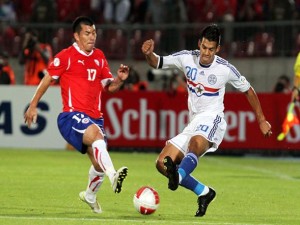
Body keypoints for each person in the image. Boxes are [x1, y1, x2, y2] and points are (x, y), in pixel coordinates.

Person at [141, 24, 272, 217]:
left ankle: (178, 176)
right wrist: (148, 54)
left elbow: (248, 90)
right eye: (204, 47)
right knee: (161, 163)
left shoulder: (225, 69)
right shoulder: (186, 58)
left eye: (211, 49)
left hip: (213, 119)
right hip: (193, 122)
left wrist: (261, 119)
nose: (206, 53)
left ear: (217, 49)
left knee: (195, 143)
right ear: (199, 44)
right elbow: (157, 62)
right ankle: (204, 192)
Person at [24, 16, 129, 214]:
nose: (92, 37)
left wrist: (120, 80)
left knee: (99, 163)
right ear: (77, 36)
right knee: (98, 141)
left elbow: (110, 87)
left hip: (95, 118)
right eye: (87, 33)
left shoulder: (99, 56)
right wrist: (33, 104)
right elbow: (47, 79)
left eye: (94, 33)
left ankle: (89, 195)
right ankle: (114, 175)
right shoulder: (66, 56)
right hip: (71, 116)